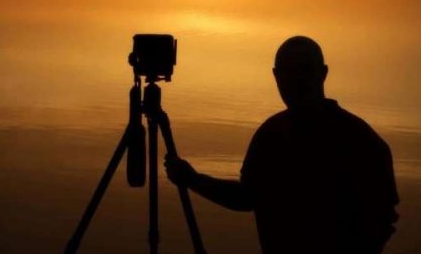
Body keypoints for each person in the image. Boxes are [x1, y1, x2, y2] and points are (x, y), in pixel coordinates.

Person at [165, 36, 399, 254]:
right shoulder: (269, 135)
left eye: (305, 70)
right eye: (288, 72)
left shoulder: (362, 142)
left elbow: (381, 221)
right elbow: (248, 197)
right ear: (276, 76)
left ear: (323, 73)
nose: (297, 80)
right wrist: (192, 179)